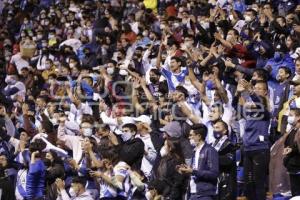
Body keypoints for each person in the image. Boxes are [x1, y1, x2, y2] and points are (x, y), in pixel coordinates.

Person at [178, 123, 219, 200]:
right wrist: (186, 170)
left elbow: (214, 173)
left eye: (191, 135)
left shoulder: (210, 150)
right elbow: (195, 171)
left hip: (204, 195)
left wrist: (193, 171)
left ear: (199, 136)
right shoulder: (194, 151)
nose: (189, 137)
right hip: (193, 193)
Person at [212, 120, 237, 200]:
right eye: (214, 128)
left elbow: (228, 160)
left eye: (218, 127)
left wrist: (211, 159)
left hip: (226, 180)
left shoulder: (229, 145)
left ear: (225, 131)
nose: (215, 130)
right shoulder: (212, 144)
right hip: (214, 179)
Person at [283, 108, 300, 197]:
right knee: (295, 192)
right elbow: (288, 145)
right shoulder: (292, 131)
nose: (289, 117)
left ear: (298, 117)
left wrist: (292, 150)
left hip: (297, 166)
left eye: (291, 115)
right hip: (292, 165)